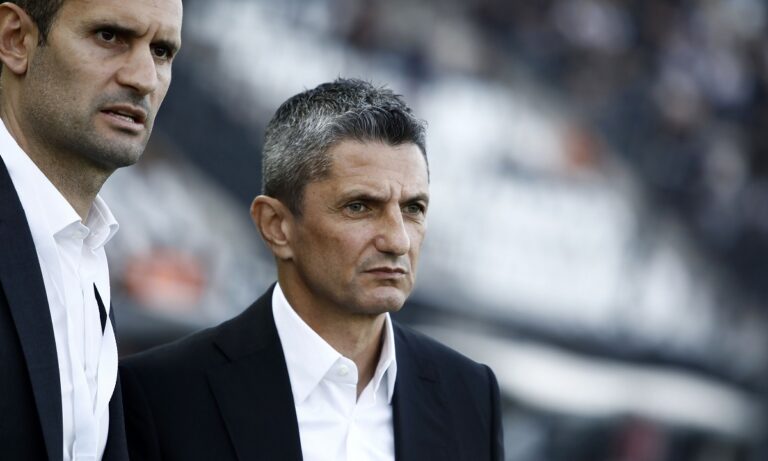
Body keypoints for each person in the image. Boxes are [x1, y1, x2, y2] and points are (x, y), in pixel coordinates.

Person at [120, 78, 504, 461]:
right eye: (359, 207)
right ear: (276, 225)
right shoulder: (162, 394)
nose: (398, 240)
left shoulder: (470, 393)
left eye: (413, 209)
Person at [0, 0, 182, 460]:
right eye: (109, 36)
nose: (144, 78)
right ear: (15, 39)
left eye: (161, 51)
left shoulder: (87, 250)